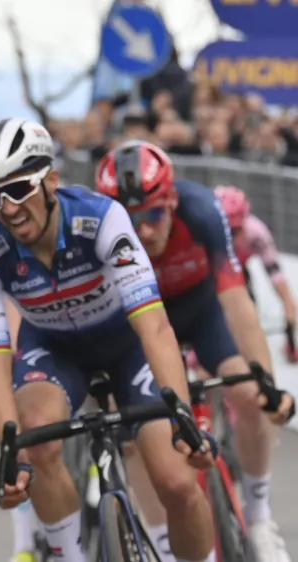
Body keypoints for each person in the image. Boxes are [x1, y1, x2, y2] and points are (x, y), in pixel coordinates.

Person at [0, 117, 217, 562]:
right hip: (54, 350)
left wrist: (181, 415)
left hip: (127, 345)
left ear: (51, 181)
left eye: (18, 189)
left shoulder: (100, 217)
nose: (8, 208)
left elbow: (153, 325)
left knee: (178, 483)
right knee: (36, 442)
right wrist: (11, 451)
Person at [95, 141, 295, 562]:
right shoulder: (97, 233)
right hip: (139, 327)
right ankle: (165, 545)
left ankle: (258, 517)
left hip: (201, 312)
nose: (144, 231)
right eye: (131, 221)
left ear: (172, 201)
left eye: (153, 215)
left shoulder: (202, 211)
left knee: (251, 397)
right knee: (137, 434)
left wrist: (267, 383)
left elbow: (237, 302)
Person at [214, 184, 298, 363]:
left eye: (234, 231)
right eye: (225, 231)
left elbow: (275, 274)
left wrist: (289, 309)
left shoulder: (256, 232)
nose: (230, 238)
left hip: (238, 270)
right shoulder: (206, 230)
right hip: (215, 268)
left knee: (247, 310)